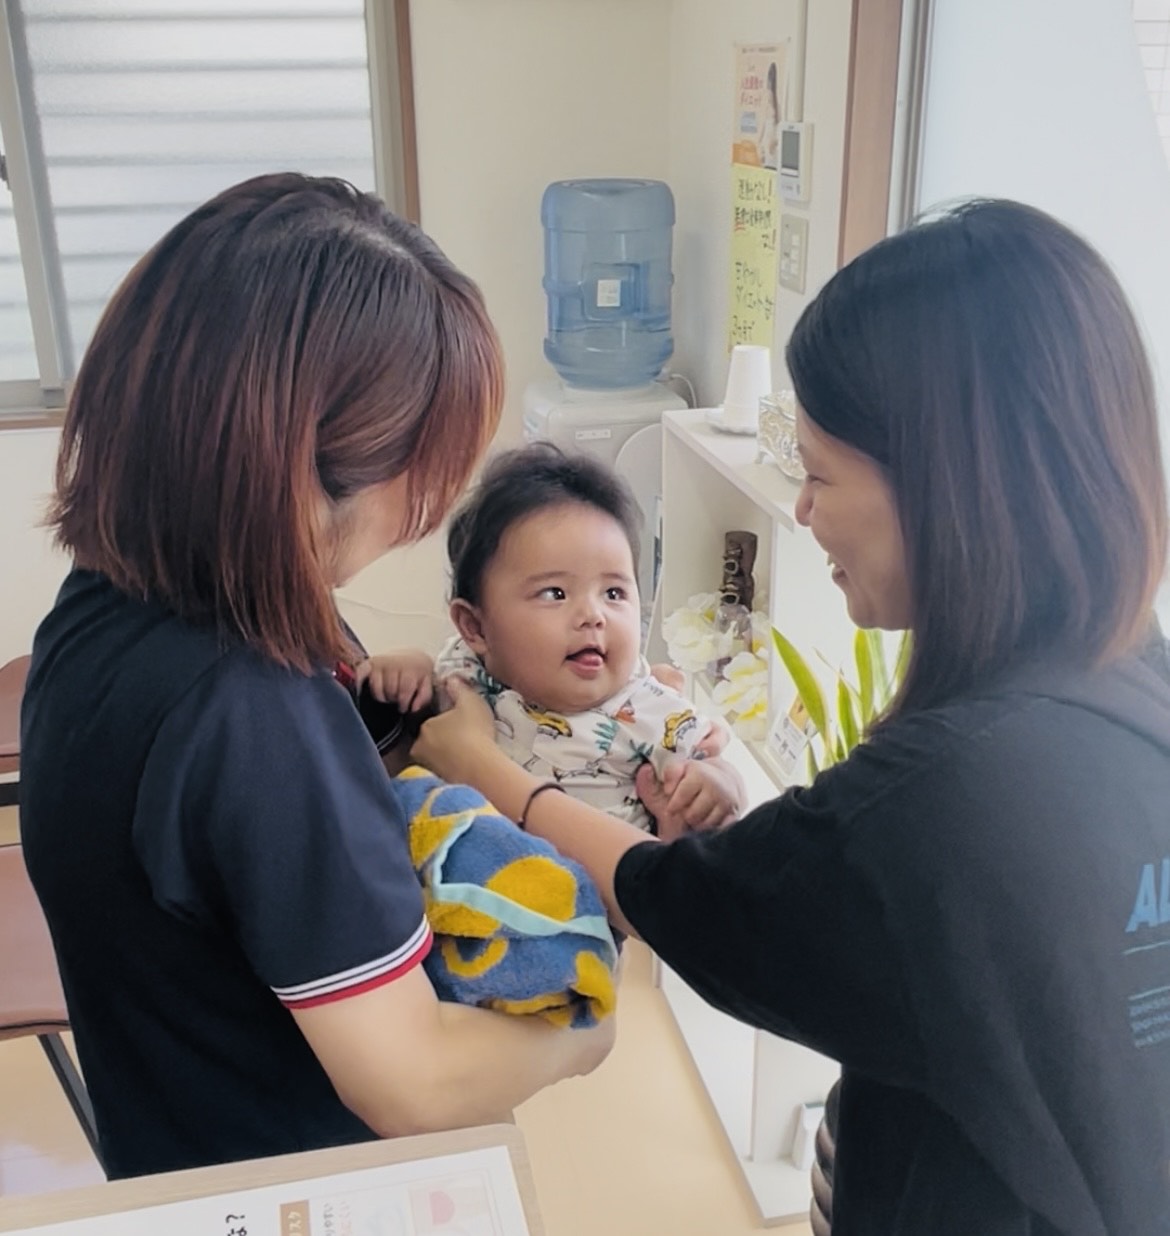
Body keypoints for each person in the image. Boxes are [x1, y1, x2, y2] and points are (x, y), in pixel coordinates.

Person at [412, 199, 1170, 1234]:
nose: (803, 511)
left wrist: (487, 773)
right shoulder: (1131, 683)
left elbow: (692, 899)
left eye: (817, 474)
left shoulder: (950, 798)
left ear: (945, 485)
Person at [19, 173, 614, 1181]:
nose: (425, 509)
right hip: (293, 1177)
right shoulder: (249, 710)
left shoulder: (104, 600)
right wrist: (591, 1023)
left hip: (167, 1138)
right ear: (314, 466)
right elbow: (415, 1082)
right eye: (427, 467)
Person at [363, 442, 740, 832]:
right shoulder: (466, 672)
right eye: (554, 593)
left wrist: (717, 783)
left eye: (613, 593)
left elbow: (715, 766)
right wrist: (409, 670)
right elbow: (425, 715)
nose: (593, 616)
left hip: (597, 866)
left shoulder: (649, 706)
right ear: (475, 627)